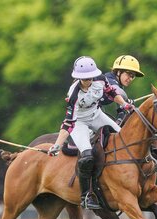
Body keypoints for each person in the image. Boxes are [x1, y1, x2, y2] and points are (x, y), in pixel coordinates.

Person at [48, 56, 134, 209]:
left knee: (122, 138)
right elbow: (68, 123)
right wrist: (57, 145)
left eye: (89, 77)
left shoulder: (100, 79)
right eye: (84, 78)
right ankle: (86, 196)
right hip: (79, 122)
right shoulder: (74, 94)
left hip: (97, 115)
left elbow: (112, 93)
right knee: (87, 156)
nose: (87, 81)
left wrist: (125, 105)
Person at [102, 55, 145, 124]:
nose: (130, 79)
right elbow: (116, 91)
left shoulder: (120, 85)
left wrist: (119, 120)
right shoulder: (109, 79)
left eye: (133, 76)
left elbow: (121, 111)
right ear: (119, 72)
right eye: (129, 74)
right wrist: (126, 101)